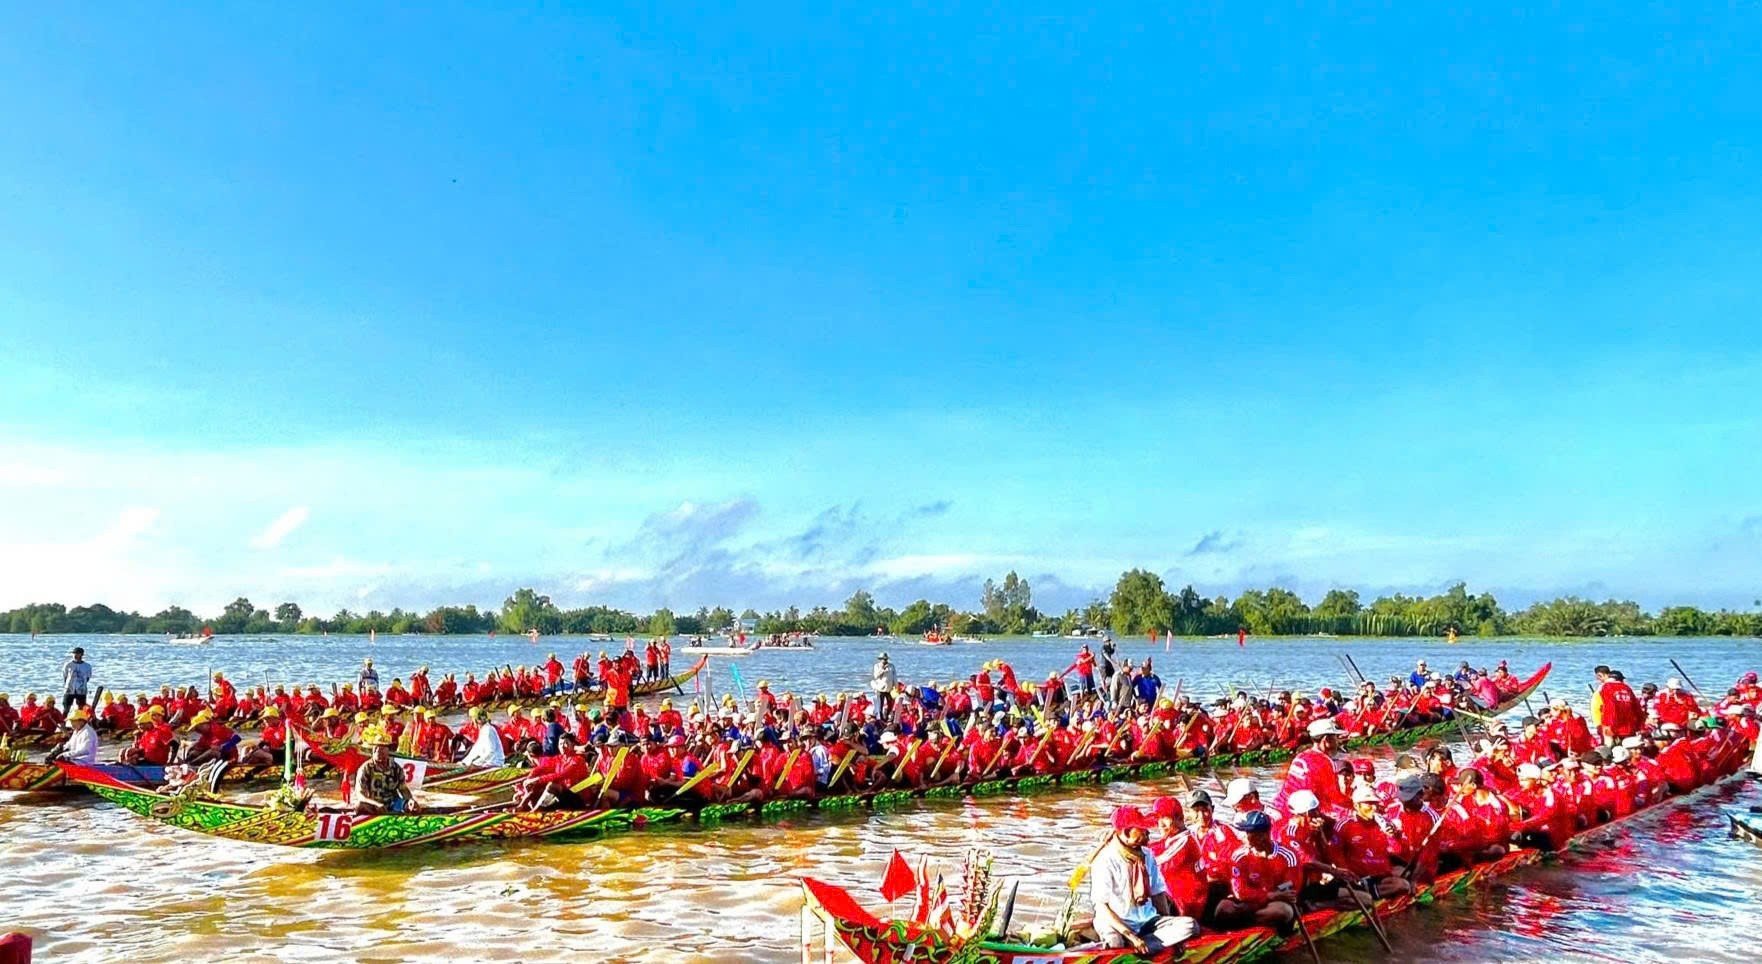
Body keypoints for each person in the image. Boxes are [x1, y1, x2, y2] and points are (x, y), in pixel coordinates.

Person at [1087, 805, 1196, 954]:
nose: (1148, 834)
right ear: (1127, 832)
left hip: (1146, 922)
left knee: (1190, 925)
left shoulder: (1147, 854)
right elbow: (1101, 906)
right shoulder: (1105, 860)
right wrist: (1130, 936)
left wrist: (1171, 931)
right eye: (1142, 830)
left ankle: (1144, 947)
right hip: (1117, 924)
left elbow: (1158, 893)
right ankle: (1140, 946)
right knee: (1115, 943)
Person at [352, 727, 419, 814]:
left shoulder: (396, 768)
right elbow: (360, 795)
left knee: (410, 807)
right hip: (373, 804)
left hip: (393, 803)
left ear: (388, 751)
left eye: (382, 748)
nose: (378, 750)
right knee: (359, 806)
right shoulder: (365, 768)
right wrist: (376, 804)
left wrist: (410, 801)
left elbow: (403, 789)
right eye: (376, 747)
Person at [61, 647, 93, 713]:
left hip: (81, 690)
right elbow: (65, 676)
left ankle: (79, 719)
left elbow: (87, 678)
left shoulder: (87, 666)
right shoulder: (68, 665)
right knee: (66, 708)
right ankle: (64, 720)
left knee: (81, 709)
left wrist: (81, 684)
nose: (75, 655)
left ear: (82, 654)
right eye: (74, 653)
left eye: (78, 653)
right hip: (69, 689)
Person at [871, 653, 897, 717]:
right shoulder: (877, 666)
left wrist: (896, 686)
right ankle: (881, 717)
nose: (885, 660)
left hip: (889, 688)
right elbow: (876, 676)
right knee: (880, 704)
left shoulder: (891, 666)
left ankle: (887, 716)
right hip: (880, 689)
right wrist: (883, 669)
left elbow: (894, 677)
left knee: (890, 704)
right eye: (883, 659)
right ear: (880, 659)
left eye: (886, 659)